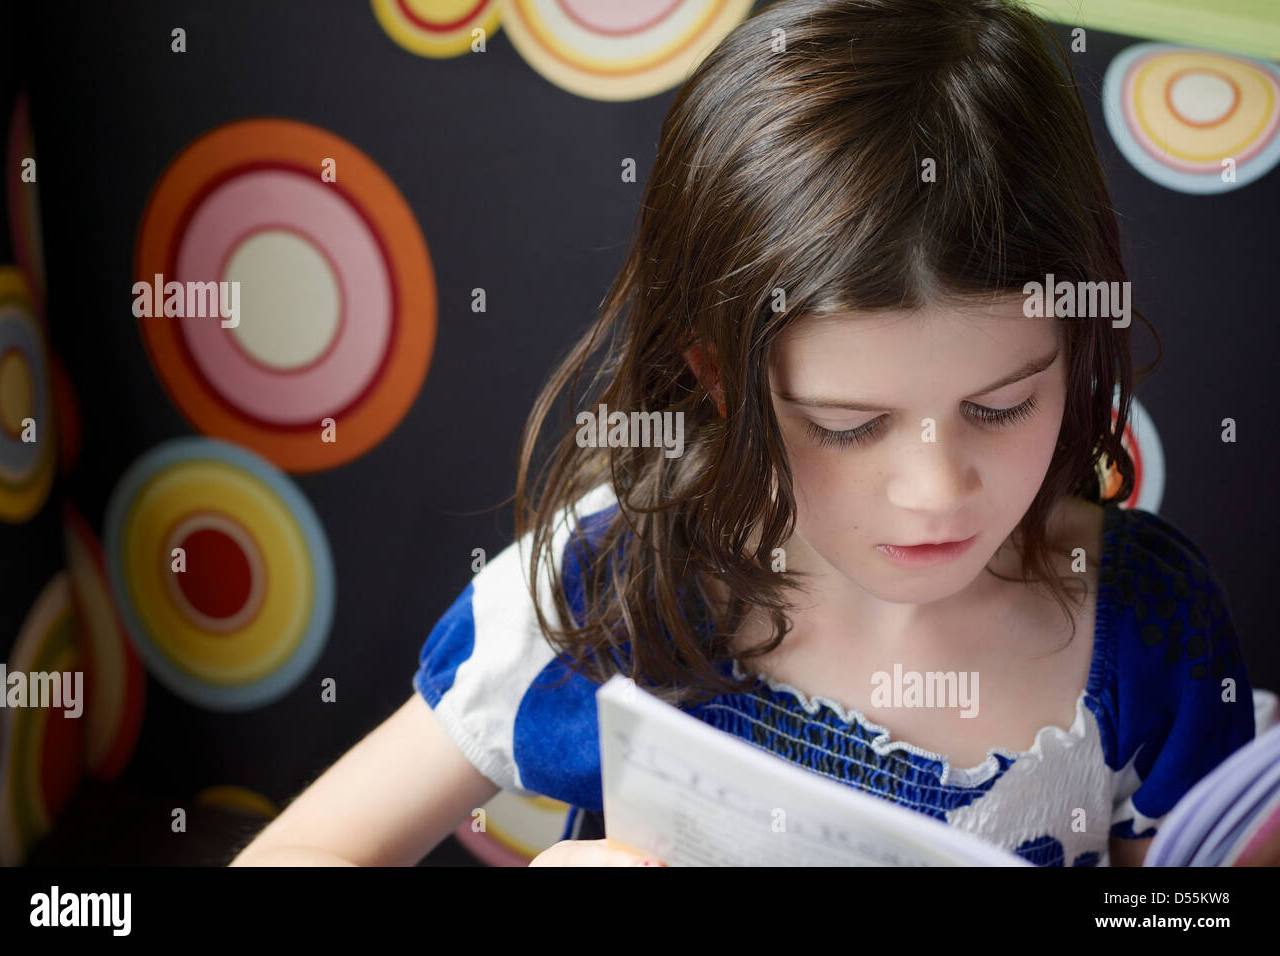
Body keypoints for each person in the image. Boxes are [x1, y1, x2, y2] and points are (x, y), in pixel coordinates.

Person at [230, 0, 1263, 868]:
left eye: (1001, 406)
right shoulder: (610, 585)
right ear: (717, 375)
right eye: (847, 425)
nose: (936, 488)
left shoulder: (1147, 625)